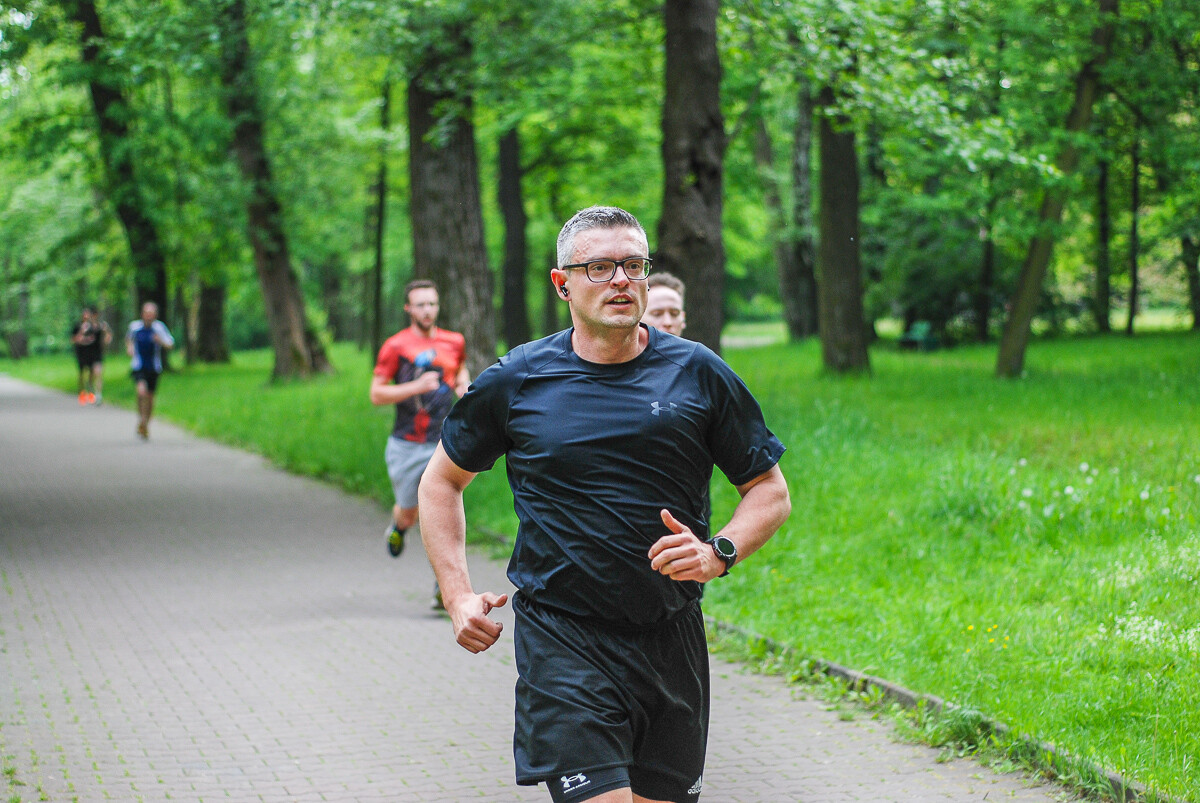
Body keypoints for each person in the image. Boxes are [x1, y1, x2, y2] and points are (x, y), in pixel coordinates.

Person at [418, 206, 791, 803]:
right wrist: (457, 592)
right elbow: (440, 483)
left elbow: (769, 490)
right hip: (563, 638)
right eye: (599, 267)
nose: (620, 279)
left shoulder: (698, 373)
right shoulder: (518, 380)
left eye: (633, 265)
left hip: (670, 638)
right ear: (562, 283)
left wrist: (718, 551)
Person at [370, 280, 469, 604]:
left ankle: (445, 587)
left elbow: (461, 370)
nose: (428, 310)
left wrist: (464, 387)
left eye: (432, 304)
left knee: (441, 512)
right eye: (421, 305)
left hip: (443, 443)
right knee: (411, 514)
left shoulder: (454, 341)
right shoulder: (396, 346)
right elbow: (377, 394)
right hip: (406, 444)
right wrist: (416, 387)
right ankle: (399, 527)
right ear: (408, 309)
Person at [125, 301, 175, 440]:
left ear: (155, 315)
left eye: (151, 314)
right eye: (147, 313)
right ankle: (141, 419)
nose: (149, 316)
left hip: (154, 367)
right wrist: (129, 348)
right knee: (141, 393)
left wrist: (160, 341)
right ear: (142, 314)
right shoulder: (135, 327)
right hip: (139, 366)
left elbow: (170, 344)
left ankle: (145, 423)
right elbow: (128, 340)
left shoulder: (159, 328)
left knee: (150, 397)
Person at [71, 305, 113, 405]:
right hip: (83, 353)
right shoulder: (80, 326)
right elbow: (74, 340)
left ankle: (97, 395)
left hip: (97, 353)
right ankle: (82, 393)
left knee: (96, 373)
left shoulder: (101, 325)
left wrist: (107, 340)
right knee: (82, 374)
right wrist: (82, 332)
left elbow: (108, 335)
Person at [641, 271, 686, 336]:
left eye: (674, 314)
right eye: (657, 314)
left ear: (683, 318)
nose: (667, 322)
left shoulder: (699, 346)